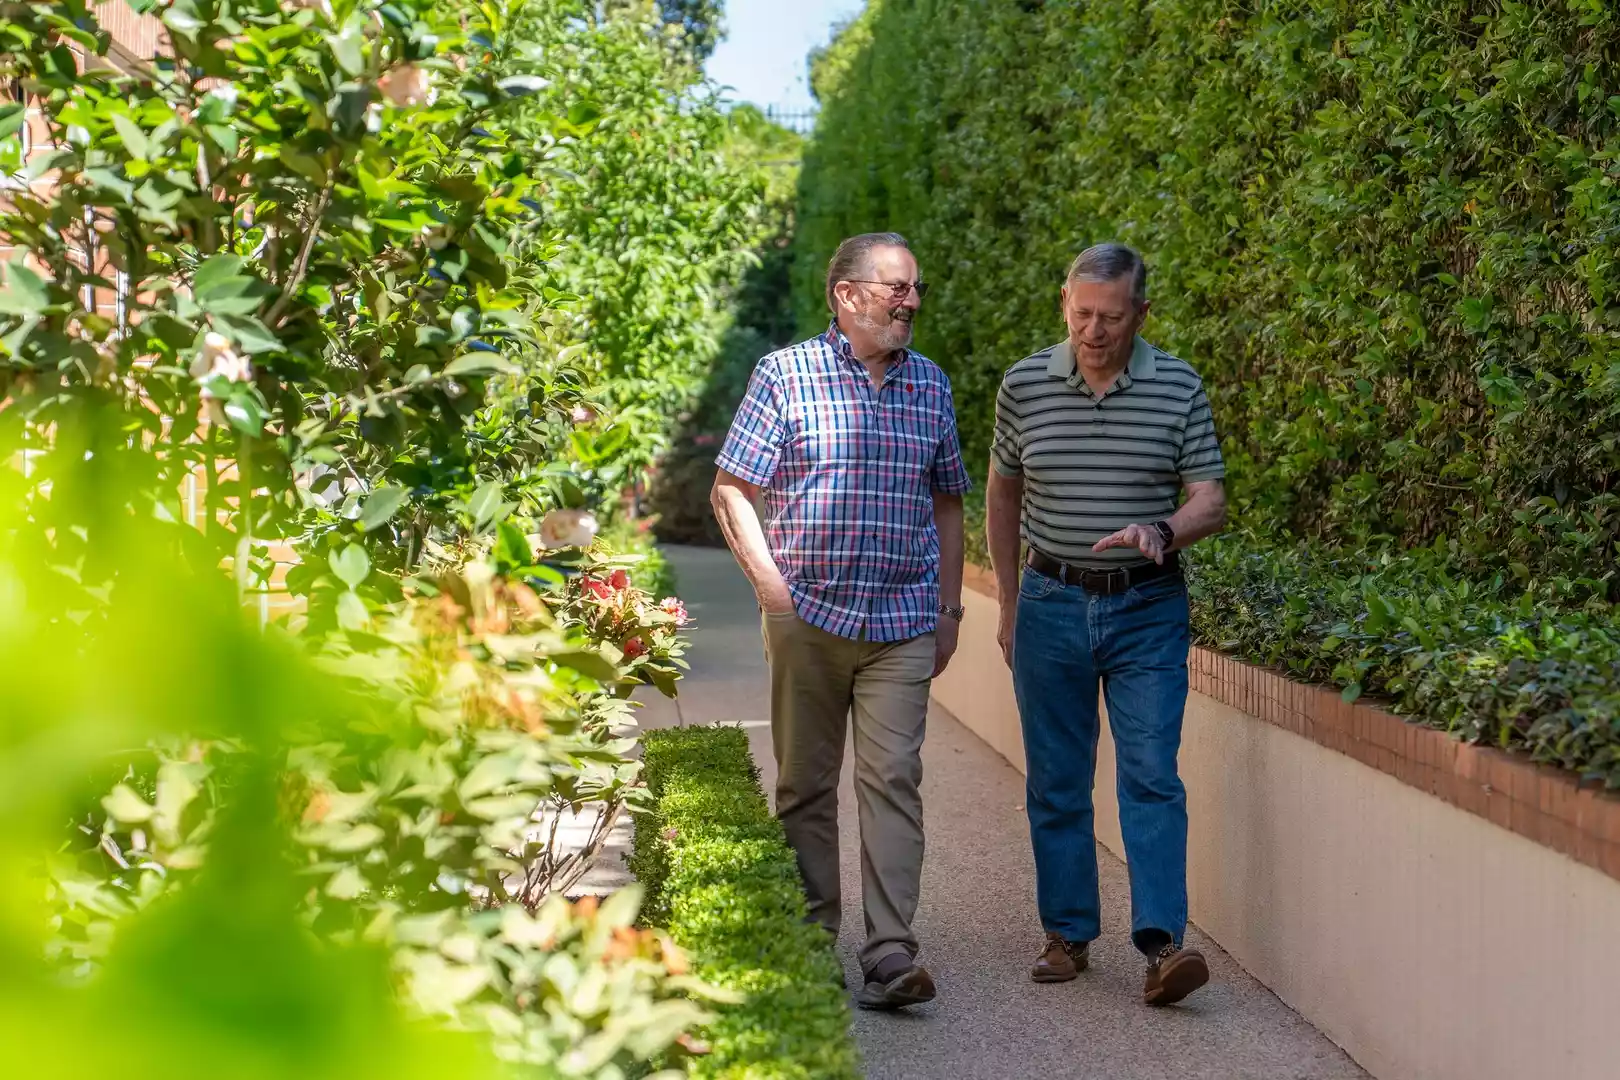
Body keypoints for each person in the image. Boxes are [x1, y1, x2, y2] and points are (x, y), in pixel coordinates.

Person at [710, 231, 971, 1010]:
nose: (912, 302)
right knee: (805, 785)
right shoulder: (784, 376)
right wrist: (773, 593)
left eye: (915, 288)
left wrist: (949, 608)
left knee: (894, 779)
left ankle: (891, 953)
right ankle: (811, 937)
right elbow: (731, 490)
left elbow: (949, 500)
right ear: (847, 295)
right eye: (897, 288)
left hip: (901, 618)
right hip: (809, 612)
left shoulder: (930, 384)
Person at [984, 242, 1228, 1006]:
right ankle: (1066, 934)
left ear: (1140, 314)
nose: (1094, 330)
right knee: (1056, 780)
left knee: (1150, 775)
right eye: (1082, 313)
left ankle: (1163, 947)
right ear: (1065, 302)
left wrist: (1164, 527)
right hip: (1050, 602)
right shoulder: (1024, 384)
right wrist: (1008, 601)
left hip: (1147, 607)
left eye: (1111, 318)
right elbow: (1002, 494)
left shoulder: (1178, 384)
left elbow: (1209, 500)